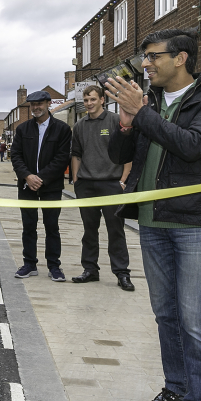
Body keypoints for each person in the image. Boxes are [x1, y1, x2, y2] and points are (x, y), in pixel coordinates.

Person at [107, 28, 201, 401]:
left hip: (194, 223)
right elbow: (119, 157)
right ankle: (176, 391)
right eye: (144, 57)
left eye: (152, 56)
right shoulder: (150, 102)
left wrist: (141, 113)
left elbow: (192, 146)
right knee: (165, 315)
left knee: (195, 319)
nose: (146, 64)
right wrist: (127, 125)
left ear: (180, 58)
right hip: (152, 221)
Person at [70, 86, 133, 291]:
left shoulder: (115, 121)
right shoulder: (79, 125)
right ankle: (90, 270)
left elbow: (128, 152)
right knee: (89, 230)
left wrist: (123, 180)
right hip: (86, 185)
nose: (89, 103)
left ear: (102, 100)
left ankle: (122, 273)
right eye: (86, 100)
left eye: (92, 99)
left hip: (112, 184)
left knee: (116, 230)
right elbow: (76, 154)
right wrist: (76, 180)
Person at [10, 90, 72, 282]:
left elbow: (62, 159)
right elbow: (16, 155)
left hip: (51, 186)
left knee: (51, 226)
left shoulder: (62, 129)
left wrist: (41, 178)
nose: (36, 107)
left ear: (48, 104)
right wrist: (28, 176)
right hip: (27, 186)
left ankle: (54, 266)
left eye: (40, 104)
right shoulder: (22, 129)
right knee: (28, 226)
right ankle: (29, 264)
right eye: (33, 104)